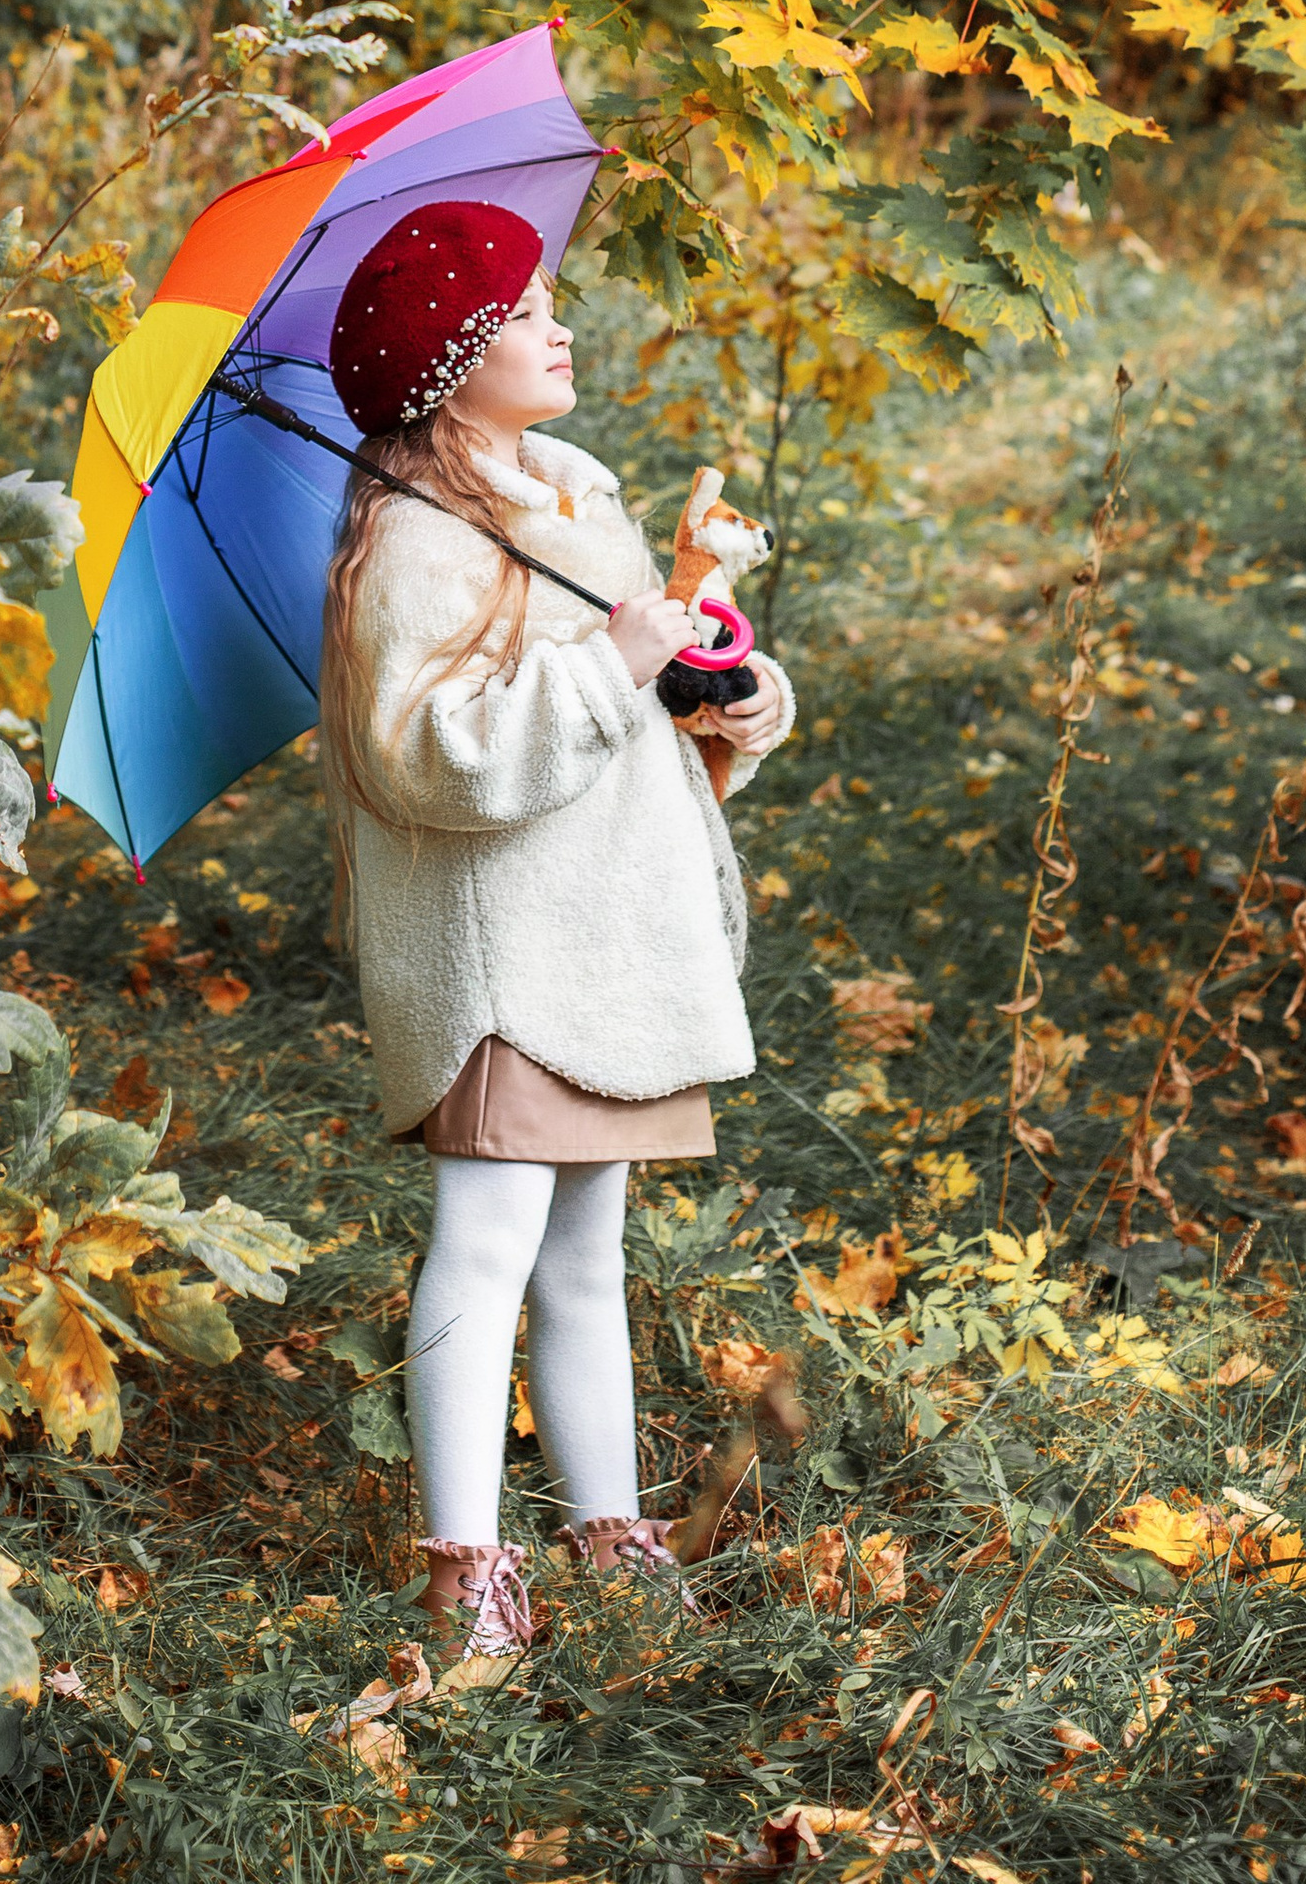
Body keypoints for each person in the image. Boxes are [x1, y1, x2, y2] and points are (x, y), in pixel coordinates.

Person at [316, 199, 796, 1665]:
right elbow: (435, 759)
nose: (558, 326)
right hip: (504, 965)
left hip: (609, 945)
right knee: (487, 1243)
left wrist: (727, 698)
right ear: (450, 363)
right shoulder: (411, 545)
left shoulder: (576, 491)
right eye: (523, 314)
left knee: (589, 1256)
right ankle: (465, 1569)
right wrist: (610, 665)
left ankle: (612, 1533)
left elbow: (633, 708)